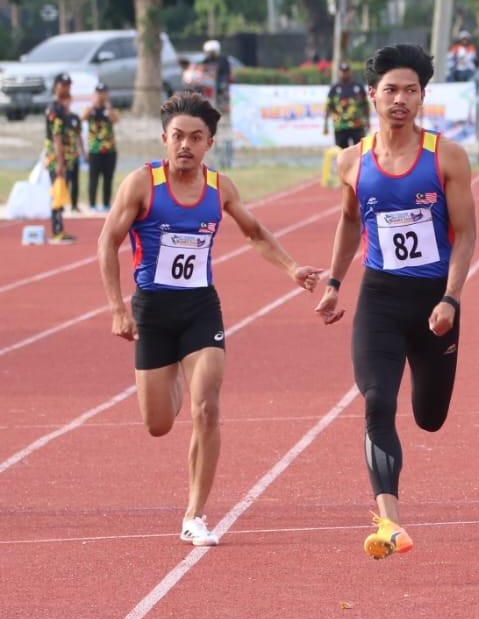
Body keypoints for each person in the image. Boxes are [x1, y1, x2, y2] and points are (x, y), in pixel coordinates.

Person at [98, 92, 322, 547]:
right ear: (164, 139)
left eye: (195, 138)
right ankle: (175, 376)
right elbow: (107, 242)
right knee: (158, 423)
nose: (185, 145)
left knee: (208, 409)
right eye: (178, 136)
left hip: (201, 307)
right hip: (153, 310)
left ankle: (195, 514)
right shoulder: (142, 184)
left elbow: (255, 233)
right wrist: (117, 308)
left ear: (209, 143)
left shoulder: (221, 188)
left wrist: (293, 268)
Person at [314, 43, 478, 559]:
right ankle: (391, 522)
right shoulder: (352, 161)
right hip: (380, 298)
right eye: (391, 90)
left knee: (429, 417)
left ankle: (394, 506)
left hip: (434, 303)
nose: (400, 99)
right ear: (372, 96)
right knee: (377, 401)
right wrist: (336, 283)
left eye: (410, 90)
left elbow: (467, 232)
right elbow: (348, 220)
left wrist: (451, 298)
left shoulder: (445, 156)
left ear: (422, 97)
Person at [43, 73, 81, 240]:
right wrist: (59, 162)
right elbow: (56, 136)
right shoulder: (54, 109)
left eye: (68, 85)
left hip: (66, 158)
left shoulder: (63, 108)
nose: (66, 88)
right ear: (56, 86)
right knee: (57, 192)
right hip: (58, 158)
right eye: (63, 85)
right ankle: (57, 230)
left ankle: (59, 228)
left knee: (61, 191)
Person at [83, 81, 119, 213]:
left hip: (109, 149)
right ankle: (92, 203)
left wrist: (107, 106)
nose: (101, 95)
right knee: (94, 177)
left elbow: (115, 119)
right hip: (94, 149)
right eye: (99, 93)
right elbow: (83, 117)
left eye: (103, 93)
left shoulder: (109, 109)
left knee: (108, 178)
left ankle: (106, 203)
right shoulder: (90, 109)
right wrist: (94, 104)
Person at [324, 60, 369, 148]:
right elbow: (329, 106)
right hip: (341, 126)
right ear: (339, 72)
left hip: (357, 125)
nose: (344, 73)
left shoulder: (358, 87)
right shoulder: (334, 88)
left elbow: (365, 105)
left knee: (360, 151)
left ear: (350, 72)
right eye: (342, 71)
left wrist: (368, 121)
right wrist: (325, 124)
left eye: (346, 71)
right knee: (342, 152)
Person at [202, 40, 232, 108]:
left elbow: (226, 72)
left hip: (220, 81)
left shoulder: (223, 60)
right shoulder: (206, 60)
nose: (210, 54)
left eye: (212, 52)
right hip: (208, 82)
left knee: (222, 89)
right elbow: (202, 70)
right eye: (209, 52)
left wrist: (223, 81)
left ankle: (222, 106)